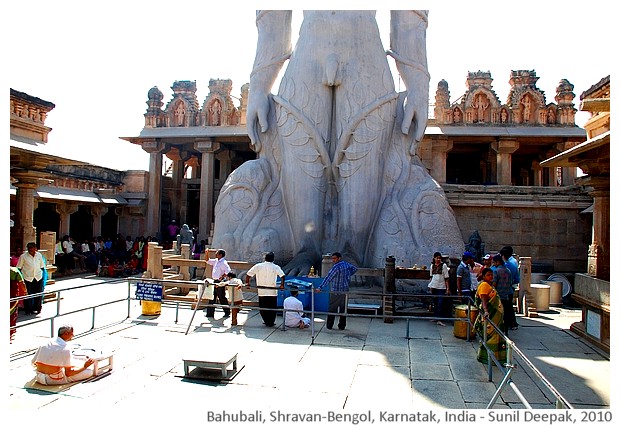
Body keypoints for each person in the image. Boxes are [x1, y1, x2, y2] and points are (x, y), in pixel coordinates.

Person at [31, 324, 95, 385]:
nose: (73, 335)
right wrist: (85, 366)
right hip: (51, 380)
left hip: (39, 377)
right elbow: (68, 373)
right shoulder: (65, 349)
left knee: (73, 364)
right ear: (66, 333)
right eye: (72, 333)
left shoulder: (45, 343)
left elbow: (34, 362)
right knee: (89, 371)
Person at [474, 268, 506, 364]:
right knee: (491, 338)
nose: (491, 277)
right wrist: (486, 311)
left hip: (496, 318)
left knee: (496, 337)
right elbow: (483, 301)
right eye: (488, 275)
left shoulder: (489, 285)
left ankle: (496, 358)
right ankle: (488, 358)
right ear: (483, 276)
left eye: (492, 275)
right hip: (490, 316)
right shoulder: (484, 285)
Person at [317, 252, 358, 330]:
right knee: (343, 309)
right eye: (333, 258)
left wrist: (320, 287)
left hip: (336, 291)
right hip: (345, 291)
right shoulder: (346, 265)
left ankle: (329, 325)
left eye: (335, 258)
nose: (333, 260)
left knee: (332, 308)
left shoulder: (336, 267)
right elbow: (355, 269)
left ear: (339, 258)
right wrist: (348, 274)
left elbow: (328, 278)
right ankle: (342, 326)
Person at [245, 251, 286, 327]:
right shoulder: (276, 267)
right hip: (272, 291)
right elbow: (282, 276)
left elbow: (248, 274)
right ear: (273, 259)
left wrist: (247, 283)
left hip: (262, 291)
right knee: (272, 308)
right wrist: (282, 285)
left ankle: (266, 321)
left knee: (263, 307)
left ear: (264, 258)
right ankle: (271, 322)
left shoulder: (258, 266)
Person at [16, 242, 47, 315]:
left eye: (32, 247)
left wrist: (43, 277)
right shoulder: (23, 256)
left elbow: (42, 267)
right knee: (28, 295)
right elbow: (19, 268)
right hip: (27, 277)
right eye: (29, 247)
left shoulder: (39, 255)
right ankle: (28, 310)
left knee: (38, 294)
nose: (30, 249)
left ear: (35, 248)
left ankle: (37, 308)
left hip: (38, 277)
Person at [492, 254, 517, 333]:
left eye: (494, 262)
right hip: (506, 295)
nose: (493, 264)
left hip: (498, 296)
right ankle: (505, 331)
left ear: (498, 262)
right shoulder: (508, 271)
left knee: (498, 315)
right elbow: (510, 283)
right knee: (505, 315)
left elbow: (494, 284)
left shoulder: (496, 271)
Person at [205, 248, 231, 318]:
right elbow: (207, 261)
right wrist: (207, 253)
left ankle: (227, 311)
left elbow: (228, 270)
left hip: (219, 282)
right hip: (214, 281)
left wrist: (222, 277)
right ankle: (210, 313)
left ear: (220, 255)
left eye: (217, 253)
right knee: (212, 297)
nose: (216, 254)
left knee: (221, 297)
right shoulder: (216, 261)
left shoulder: (224, 262)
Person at [427, 252, 450, 326]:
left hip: (441, 287)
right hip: (434, 286)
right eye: (437, 258)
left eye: (439, 258)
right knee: (435, 303)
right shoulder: (432, 266)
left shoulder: (444, 266)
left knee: (440, 303)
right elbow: (431, 277)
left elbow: (446, 278)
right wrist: (430, 286)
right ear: (434, 258)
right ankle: (435, 317)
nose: (438, 259)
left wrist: (447, 288)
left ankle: (439, 319)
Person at [10, 266, 26, 342]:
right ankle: (10, 333)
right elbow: (21, 283)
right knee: (12, 316)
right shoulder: (14, 271)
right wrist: (25, 292)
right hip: (12, 297)